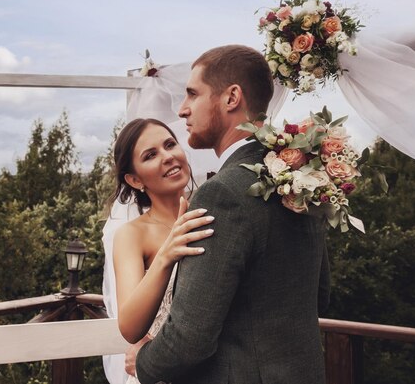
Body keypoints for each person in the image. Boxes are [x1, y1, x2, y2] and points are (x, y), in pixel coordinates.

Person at [133, 45, 331, 384]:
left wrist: (143, 361)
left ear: (231, 98)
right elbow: (320, 296)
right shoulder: (303, 180)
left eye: (193, 94)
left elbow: (188, 340)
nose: (182, 110)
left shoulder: (221, 194)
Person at [110, 118, 216, 384]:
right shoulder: (132, 235)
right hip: (159, 374)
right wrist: (166, 256)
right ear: (134, 179)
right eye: (151, 155)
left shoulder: (212, 215)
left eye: (170, 144)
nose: (168, 156)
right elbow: (130, 327)